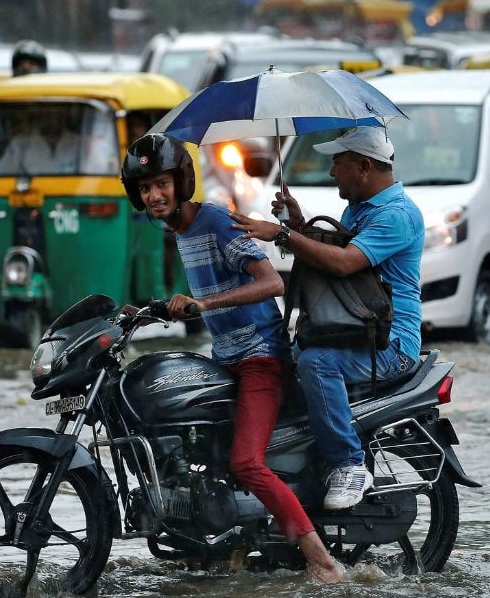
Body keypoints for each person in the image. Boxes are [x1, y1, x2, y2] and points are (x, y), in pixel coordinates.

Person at [120, 133, 345, 584]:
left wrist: (205, 305)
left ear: (181, 182)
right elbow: (201, 292)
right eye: (145, 188)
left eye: (161, 184)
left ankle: (322, 561)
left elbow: (271, 284)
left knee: (245, 463)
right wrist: (150, 312)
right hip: (225, 356)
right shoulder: (180, 230)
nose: (154, 195)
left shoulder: (217, 221)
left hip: (261, 355)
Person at [231, 125, 424, 511]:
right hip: (353, 332)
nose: (332, 172)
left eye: (338, 163)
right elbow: (333, 256)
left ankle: (348, 464)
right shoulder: (361, 209)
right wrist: (299, 224)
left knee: (316, 363)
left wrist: (283, 235)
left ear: (364, 167)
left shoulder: (397, 216)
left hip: (390, 345)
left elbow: (344, 263)